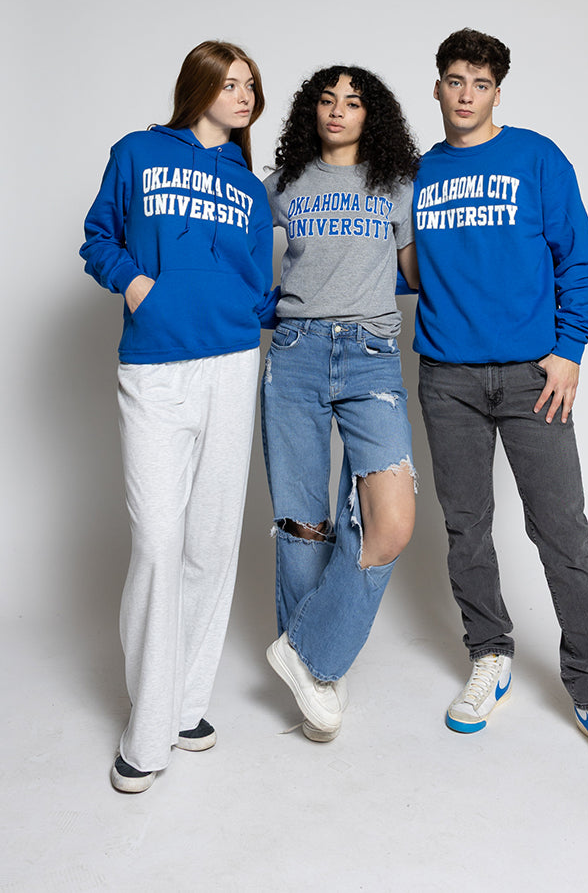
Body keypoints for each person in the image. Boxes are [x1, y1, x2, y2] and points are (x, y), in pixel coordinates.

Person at [414, 27, 588, 777]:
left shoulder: (537, 158)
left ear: (497, 92)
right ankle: (489, 653)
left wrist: (570, 348)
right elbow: (407, 267)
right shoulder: (419, 173)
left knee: (563, 533)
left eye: (479, 83)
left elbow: (578, 257)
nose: (465, 94)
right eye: (454, 80)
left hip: (530, 378)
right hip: (446, 377)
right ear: (439, 86)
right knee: (466, 528)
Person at [80, 40, 273, 792]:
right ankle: (146, 724)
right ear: (197, 86)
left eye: (252, 84)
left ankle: (187, 703)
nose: (244, 94)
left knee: (211, 542)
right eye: (230, 83)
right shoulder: (138, 153)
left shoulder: (250, 188)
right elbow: (99, 237)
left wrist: (257, 319)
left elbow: (259, 282)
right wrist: (136, 287)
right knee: (159, 540)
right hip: (156, 366)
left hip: (232, 363)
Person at [261, 66, 420, 741]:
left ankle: (307, 651)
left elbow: (417, 273)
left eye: (353, 102)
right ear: (310, 111)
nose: (337, 110)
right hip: (294, 353)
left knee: (391, 518)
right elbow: (231, 245)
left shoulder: (397, 184)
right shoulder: (283, 182)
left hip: (371, 354)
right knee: (304, 521)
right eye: (326, 99)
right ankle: (317, 678)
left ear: (371, 116)